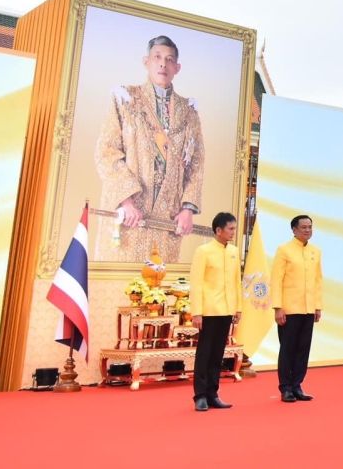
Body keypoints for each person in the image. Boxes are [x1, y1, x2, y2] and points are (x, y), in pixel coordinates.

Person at [94, 35, 205, 262]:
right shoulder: (125, 99)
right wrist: (126, 201)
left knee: (158, 289)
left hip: (167, 219)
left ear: (177, 67)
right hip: (129, 215)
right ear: (147, 62)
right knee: (119, 287)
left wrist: (187, 209)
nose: (163, 64)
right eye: (157, 57)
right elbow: (107, 151)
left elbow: (196, 162)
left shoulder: (189, 112)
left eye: (169, 59)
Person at [190, 211, 240, 412]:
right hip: (209, 310)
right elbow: (196, 283)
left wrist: (238, 308)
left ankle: (213, 393)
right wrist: (197, 312)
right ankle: (200, 395)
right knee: (205, 354)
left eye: (234, 228)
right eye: (230, 228)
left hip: (227, 310)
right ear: (218, 230)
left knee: (218, 354)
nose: (233, 232)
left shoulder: (234, 252)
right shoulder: (204, 251)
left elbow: (236, 282)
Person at [271, 214, 323, 402]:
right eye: (303, 227)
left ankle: (297, 385)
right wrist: (278, 307)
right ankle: (285, 387)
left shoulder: (315, 251)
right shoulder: (284, 250)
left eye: (310, 227)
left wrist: (317, 306)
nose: (308, 230)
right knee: (288, 349)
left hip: (308, 308)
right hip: (289, 309)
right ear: (294, 229)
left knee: (303, 349)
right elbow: (276, 280)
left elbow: (318, 280)